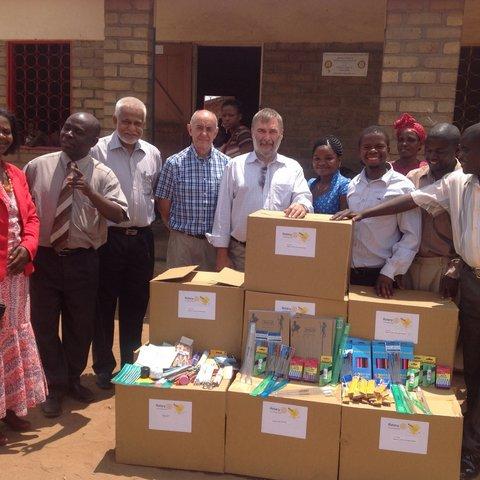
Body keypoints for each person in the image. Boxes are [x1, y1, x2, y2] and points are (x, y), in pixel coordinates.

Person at [331, 122, 480, 480]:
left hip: (447, 270)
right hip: (473, 281)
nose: (460, 157)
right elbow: (413, 200)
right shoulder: (458, 184)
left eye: (466, 150)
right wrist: (363, 213)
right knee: (473, 367)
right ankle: (469, 447)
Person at [25, 112, 128, 418]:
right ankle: (53, 386)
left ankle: (72, 379)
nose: (68, 134)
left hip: (83, 260)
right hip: (44, 258)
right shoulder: (36, 166)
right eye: (66, 127)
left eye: (78, 131)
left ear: (93, 141)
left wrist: (89, 191)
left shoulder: (103, 174)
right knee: (43, 325)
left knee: (80, 326)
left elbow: (119, 214)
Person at [90, 97, 162, 390]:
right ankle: (104, 368)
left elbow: (155, 192)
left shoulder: (153, 154)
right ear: (115, 121)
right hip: (109, 238)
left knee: (136, 305)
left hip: (142, 240)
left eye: (138, 123)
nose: (132, 128)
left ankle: (130, 366)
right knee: (104, 305)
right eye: (126, 121)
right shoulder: (98, 151)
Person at [208, 108, 313, 272]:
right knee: (241, 298)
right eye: (261, 131)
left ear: (281, 134)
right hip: (240, 254)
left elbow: (304, 197)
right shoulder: (234, 166)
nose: (267, 137)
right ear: (252, 133)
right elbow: (222, 212)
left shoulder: (293, 168)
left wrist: (302, 205)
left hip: (281, 254)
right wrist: (222, 254)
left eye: (272, 131)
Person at [0, 109, 46, 446]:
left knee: (15, 337)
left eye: (7, 131)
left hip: (17, 275)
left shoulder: (14, 173)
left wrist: (29, 248)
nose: (3, 137)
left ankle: (14, 407)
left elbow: (30, 217)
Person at [339, 125, 421, 298]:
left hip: (382, 276)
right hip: (351, 273)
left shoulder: (402, 186)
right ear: (359, 152)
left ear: (388, 150)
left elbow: (412, 236)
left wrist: (389, 272)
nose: (373, 151)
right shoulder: (353, 184)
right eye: (367, 147)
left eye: (379, 146)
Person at [155, 110, 229, 271]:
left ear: (216, 132)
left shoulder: (227, 165)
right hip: (182, 244)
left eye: (209, 129)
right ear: (190, 129)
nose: (204, 133)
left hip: (214, 245)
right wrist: (180, 234)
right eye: (199, 128)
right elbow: (163, 206)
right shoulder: (173, 163)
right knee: (179, 292)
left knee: (211, 294)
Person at [403, 123, 462, 295]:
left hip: (445, 269)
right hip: (410, 264)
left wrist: (455, 271)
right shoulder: (414, 178)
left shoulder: (466, 182)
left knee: (441, 321)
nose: (432, 156)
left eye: (440, 151)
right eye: (428, 150)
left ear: (456, 151)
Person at [308, 135, 349, 214]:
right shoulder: (310, 184)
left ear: (339, 161)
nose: (322, 163)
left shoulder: (344, 186)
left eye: (328, 158)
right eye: (317, 159)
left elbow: (344, 221)